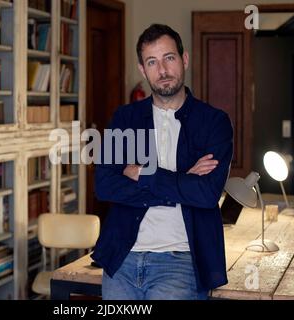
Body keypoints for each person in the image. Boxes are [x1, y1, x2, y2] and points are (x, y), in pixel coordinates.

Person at [91, 24, 234, 300]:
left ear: (185, 60)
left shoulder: (214, 122)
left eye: (169, 58)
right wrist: (181, 182)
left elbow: (206, 194)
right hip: (121, 258)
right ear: (143, 70)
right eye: (152, 62)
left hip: (180, 261)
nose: (163, 70)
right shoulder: (125, 119)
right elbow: (105, 185)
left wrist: (142, 173)